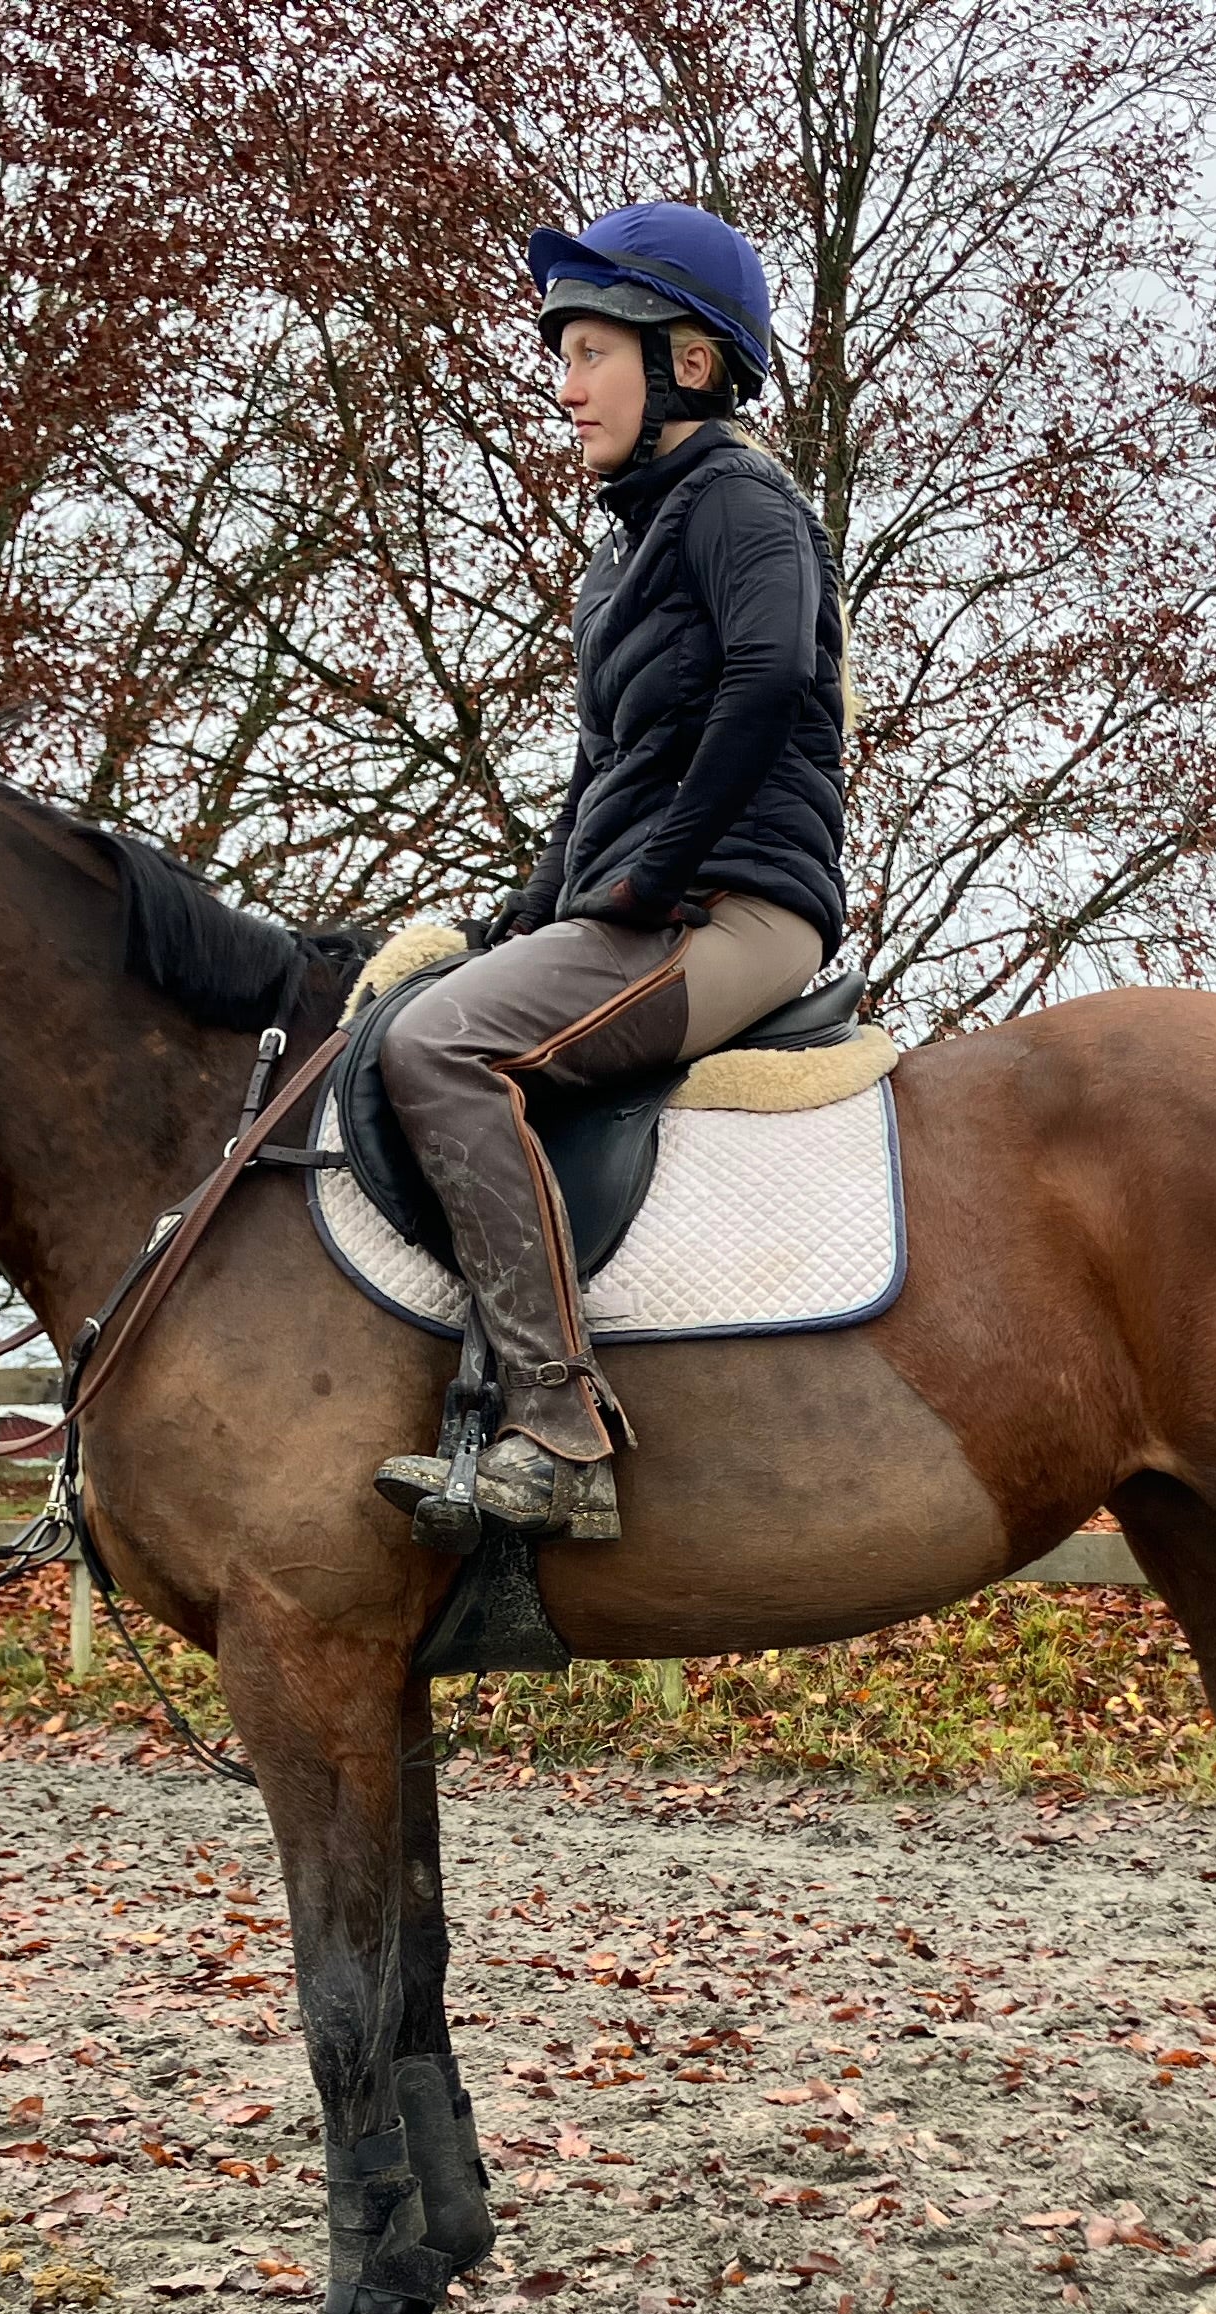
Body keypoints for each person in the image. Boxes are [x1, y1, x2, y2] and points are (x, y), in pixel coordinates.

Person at [369, 202, 850, 1541]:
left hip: (735, 910)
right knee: (436, 1005)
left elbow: (770, 679)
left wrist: (656, 876)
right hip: (655, 898)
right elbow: (602, 780)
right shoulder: (626, 557)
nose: (565, 386)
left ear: (688, 363)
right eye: (559, 354)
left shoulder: (740, 499)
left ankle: (559, 1431)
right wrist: (530, 913)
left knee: (439, 1051)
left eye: (591, 351)